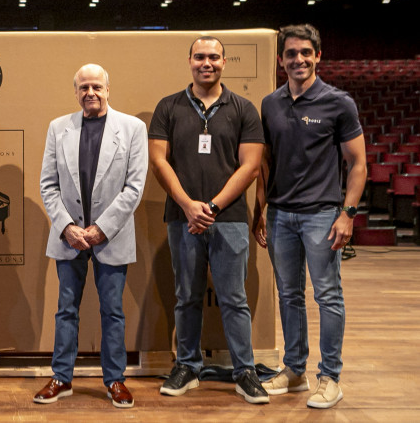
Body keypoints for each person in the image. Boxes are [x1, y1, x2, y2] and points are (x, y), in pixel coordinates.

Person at [148, 37, 269, 404]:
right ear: (189, 61)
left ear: (224, 62)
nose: (207, 63)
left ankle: (245, 370)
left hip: (229, 219)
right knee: (187, 296)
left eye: (214, 57)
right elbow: (158, 161)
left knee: (234, 298)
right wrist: (187, 205)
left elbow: (250, 166)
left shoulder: (244, 108)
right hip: (181, 219)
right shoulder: (168, 107)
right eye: (200, 56)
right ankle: (187, 365)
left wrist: (212, 208)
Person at [253, 24, 366, 409]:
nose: (298, 59)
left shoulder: (338, 102)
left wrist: (347, 214)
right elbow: (265, 163)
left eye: (305, 53)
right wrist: (261, 209)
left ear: (318, 56)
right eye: (290, 54)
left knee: (328, 295)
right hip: (282, 214)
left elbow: (358, 163)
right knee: (288, 295)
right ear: (281, 59)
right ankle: (294, 370)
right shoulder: (270, 103)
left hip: (322, 215)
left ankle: (330, 377)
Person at [33, 63, 147, 409]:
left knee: (112, 311)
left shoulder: (132, 128)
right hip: (69, 238)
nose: (90, 93)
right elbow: (48, 185)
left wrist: (101, 229)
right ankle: (61, 378)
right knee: (65, 310)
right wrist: (68, 227)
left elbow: (134, 187)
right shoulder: (58, 128)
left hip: (110, 237)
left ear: (108, 89)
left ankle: (115, 380)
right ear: (76, 92)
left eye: (97, 87)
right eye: (84, 88)